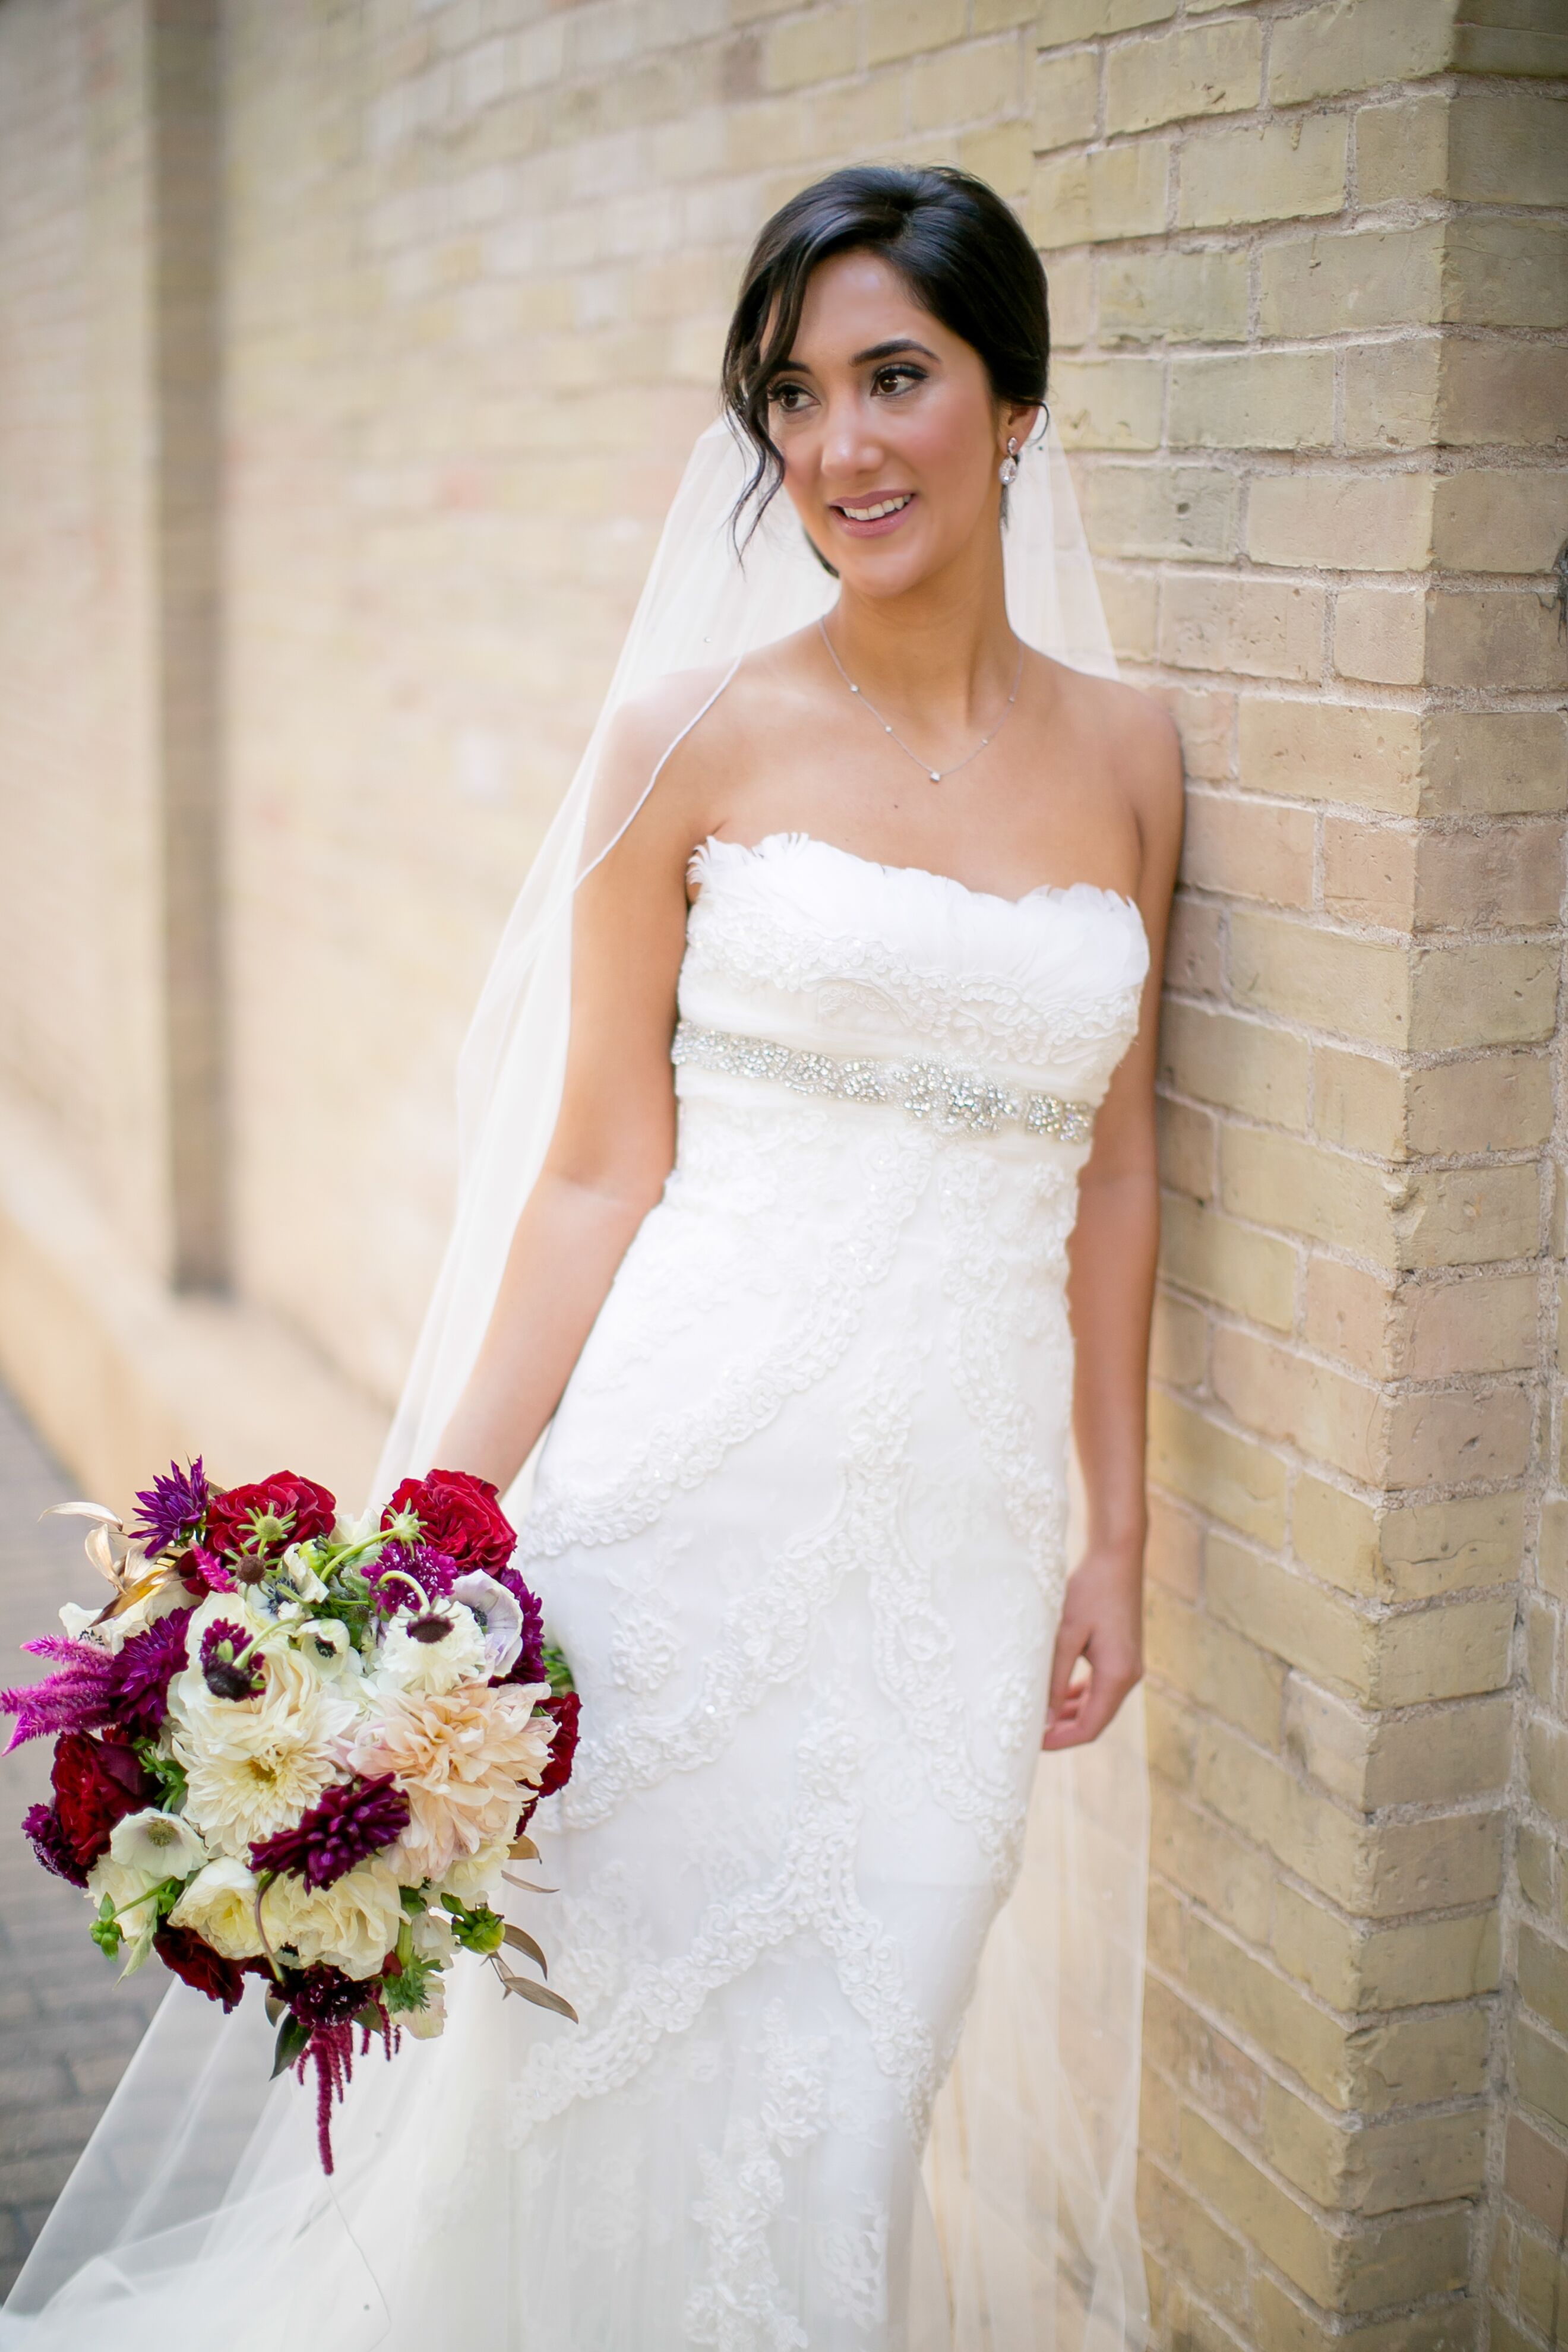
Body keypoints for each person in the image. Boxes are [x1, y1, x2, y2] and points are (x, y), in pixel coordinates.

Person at [3, 165, 1178, 2350]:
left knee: (857, 2089)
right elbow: (589, 1173)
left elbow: (1116, 1176)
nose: (839, 449)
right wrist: (415, 1539)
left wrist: (1120, 1533)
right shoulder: (690, 746)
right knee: (570, 2087)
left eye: (894, 379)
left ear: (1015, 402)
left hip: (955, 1552)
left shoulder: (1132, 762)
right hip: (678, 1516)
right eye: (795, 396)